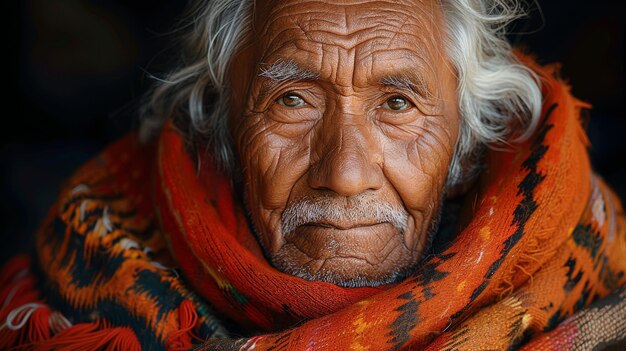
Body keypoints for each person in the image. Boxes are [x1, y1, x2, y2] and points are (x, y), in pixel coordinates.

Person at [1, 0, 625, 350]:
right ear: (222, 130)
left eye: (398, 103)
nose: (345, 174)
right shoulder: (76, 282)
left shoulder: (600, 298)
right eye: (294, 100)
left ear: (464, 152)